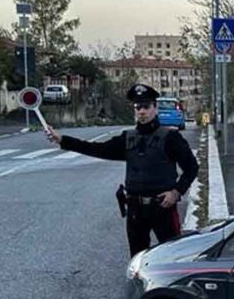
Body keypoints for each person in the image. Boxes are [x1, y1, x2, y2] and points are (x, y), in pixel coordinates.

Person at [45, 83, 199, 255]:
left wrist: (176, 192)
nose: (142, 111)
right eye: (137, 107)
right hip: (135, 209)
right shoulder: (128, 138)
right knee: (137, 258)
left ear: (155, 108)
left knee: (172, 257)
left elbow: (192, 167)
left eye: (146, 106)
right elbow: (97, 148)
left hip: (162, 206)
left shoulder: (171, 137)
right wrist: (62, 140)